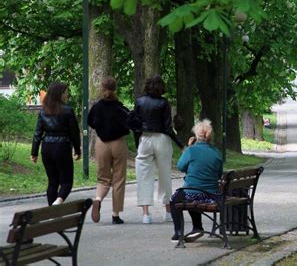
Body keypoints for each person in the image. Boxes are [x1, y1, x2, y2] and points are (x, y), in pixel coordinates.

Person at [134, 74, 184, 224]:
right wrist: (180, 144)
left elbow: (136, 125)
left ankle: (145, 214)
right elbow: (168, 128)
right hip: (162, 139)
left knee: (143, 176)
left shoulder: (139, 102)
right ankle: (167, 211)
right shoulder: (164, 103)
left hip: (145, 138)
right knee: (164, 174)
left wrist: (138, 143)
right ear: (161, 87)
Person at [170, 119, 224, 243]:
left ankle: (179, 232)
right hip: (212, 195)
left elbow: (180, 166)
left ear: (196, 136)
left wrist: (188, 148)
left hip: (193, 193)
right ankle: (196, 227)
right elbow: (219, 174)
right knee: (191, 194)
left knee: (175, 199)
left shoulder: (191, 150)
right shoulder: (216, 152)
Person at [87, 77, 130, 224]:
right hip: (118, 143)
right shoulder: (121, 108)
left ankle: (98, 199)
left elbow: (90, 122)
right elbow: (129, 123)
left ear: (102, 88)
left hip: (101, 144)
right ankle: (115, 214)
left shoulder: (97, 107)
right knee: (119, 179)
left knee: (103, 177)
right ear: (115, 89)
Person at [31, 82, 81, 206]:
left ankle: (51, 211)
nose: (67, 94)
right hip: (62, 147)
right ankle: (58, 201)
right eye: (65, 92)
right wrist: (77, 149)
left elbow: (38, 133)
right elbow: (74, 132)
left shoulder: (43, 111)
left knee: (52, 181)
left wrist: (34, 152)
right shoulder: (68, 111)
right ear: (59, 94)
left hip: (47, 147)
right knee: (66, 182)